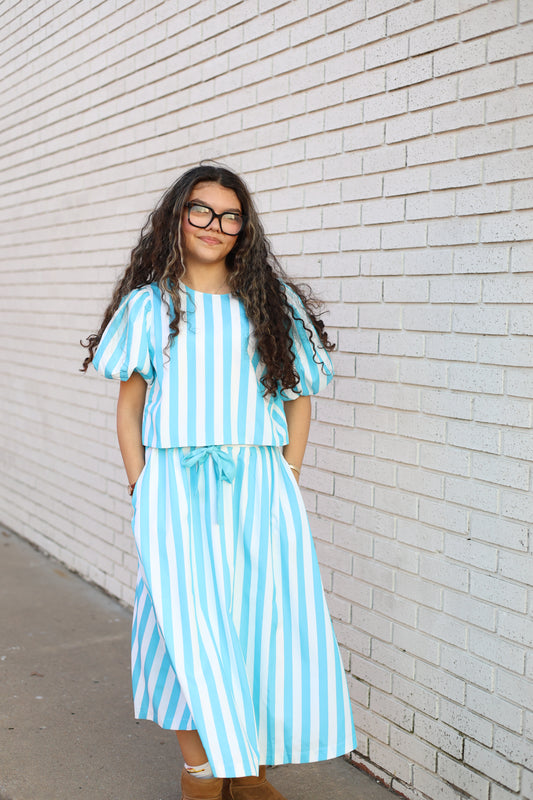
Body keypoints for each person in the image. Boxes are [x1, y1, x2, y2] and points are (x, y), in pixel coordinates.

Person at [81, 164, 356, 800]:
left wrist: (287, 474)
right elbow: (128, 408)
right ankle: (202, 773)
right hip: (174, 483)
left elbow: (298, 397)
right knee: (182, 621)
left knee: (258, 619)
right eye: (201, 211)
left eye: (230, 217)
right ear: (177, 217)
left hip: (259, 481)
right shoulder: (149, 307)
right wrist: (140, 487)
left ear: (243, 228)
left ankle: (249, 768)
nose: (215, 226)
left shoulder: (270, 304)